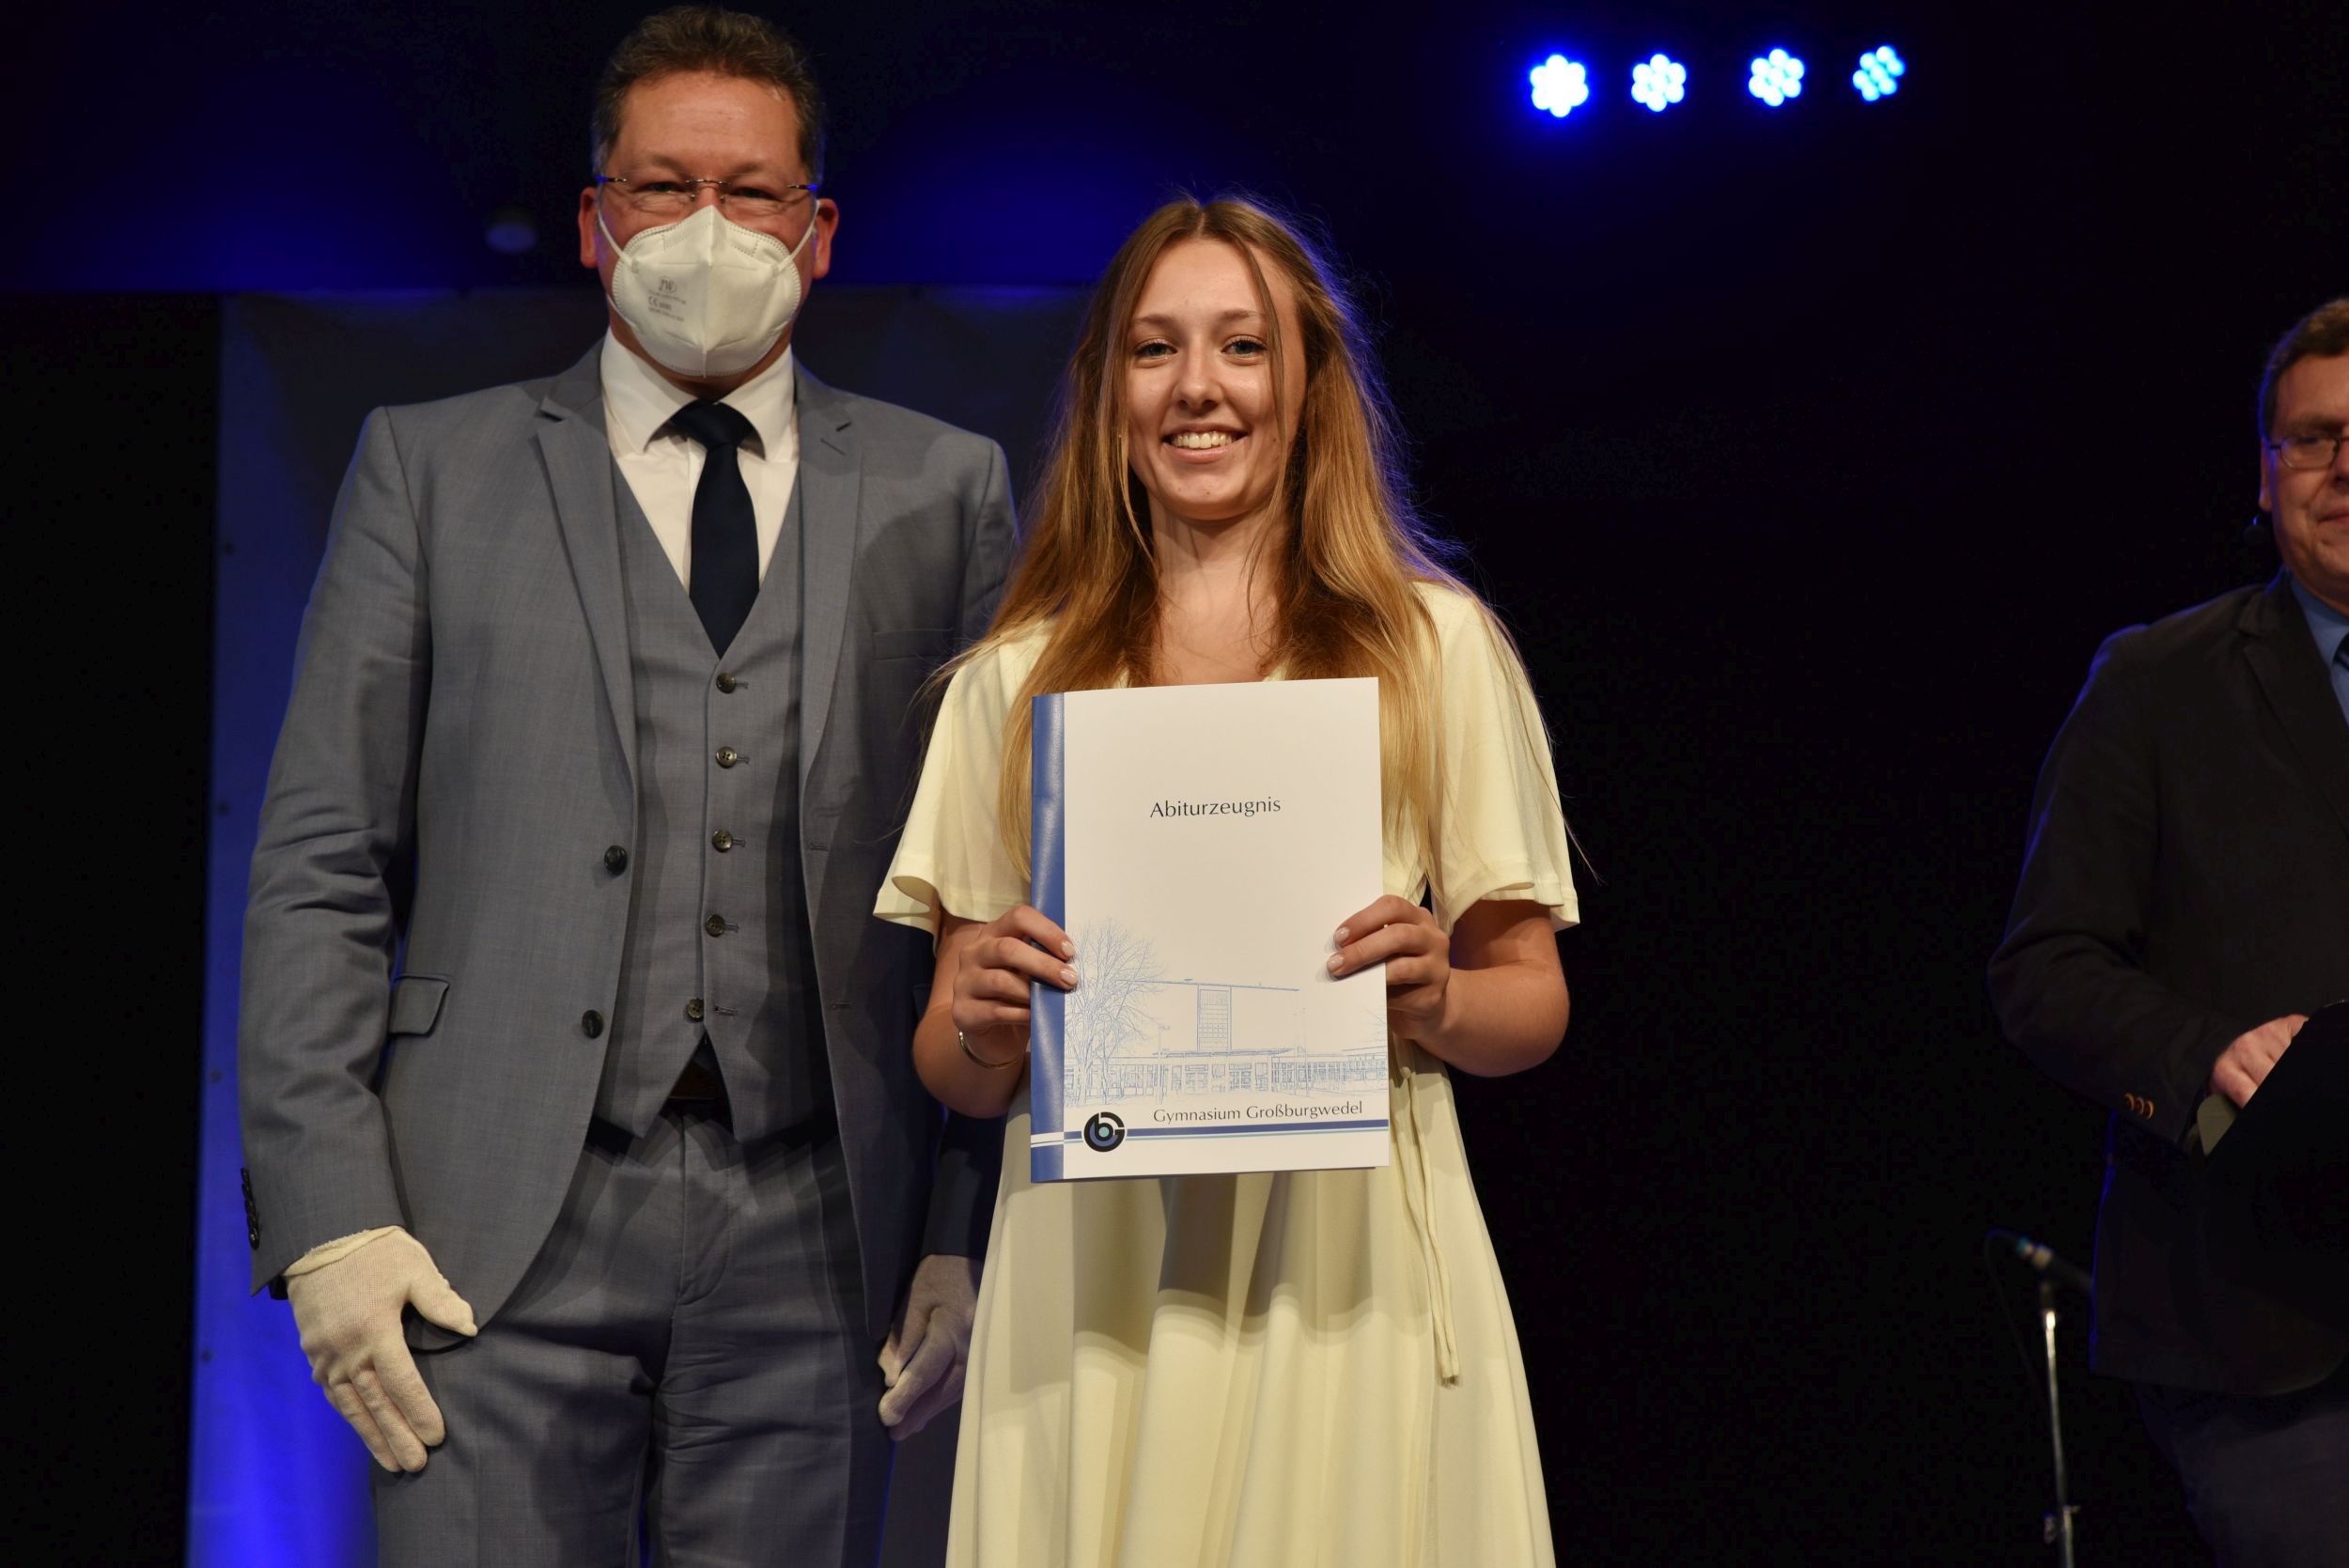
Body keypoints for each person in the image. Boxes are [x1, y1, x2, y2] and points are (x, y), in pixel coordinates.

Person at [237, 8, 1016, 1561]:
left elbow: (991, 898)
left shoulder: (945, 488)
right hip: (481, 1226)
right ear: (596, 222)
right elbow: (323, 863)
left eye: (753, 190)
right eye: (664, 188)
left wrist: (963, 1223)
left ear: (820, 231)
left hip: (819, 1238)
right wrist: (328, 1212)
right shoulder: (431, 469)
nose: (706, 227)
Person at [874, 195, 1576, 1565]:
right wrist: (987, 1019)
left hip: (1348, 1267)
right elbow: (954, 1060)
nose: (1199, 386)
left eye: (1243, 346)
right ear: (1109, 392)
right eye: (1156, 348)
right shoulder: (1012, 683)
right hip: (1092, 1273)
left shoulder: (1436, 649)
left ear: (1309, 386)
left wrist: (1437, 996)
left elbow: (1531, 1001)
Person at [1988, 297, 2349, 1562]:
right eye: (2316, 438)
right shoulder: (2159, 681)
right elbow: (2045, 967)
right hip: (2267, 1333)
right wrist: (2208, 1058)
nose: (2345, 467)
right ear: (2266, 472)